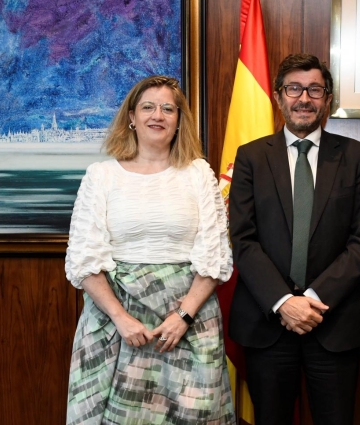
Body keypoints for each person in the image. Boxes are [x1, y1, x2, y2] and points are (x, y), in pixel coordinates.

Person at [64, 75, 235, 425]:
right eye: (148, 107)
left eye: (168, 108)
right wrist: (121, 318)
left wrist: (183, 316)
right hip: (118, 324)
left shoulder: (199, 173)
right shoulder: (101, 176)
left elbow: (214, 254)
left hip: (189, 321)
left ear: (178, 120)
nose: (158, 115)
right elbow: (85, 259)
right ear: (132, 116)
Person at [228, 53, 360, 425]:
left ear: (327, 99)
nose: (304, 98)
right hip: (268, 325)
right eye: (294, 88)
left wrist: (311, 300)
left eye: (315, 89)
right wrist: (284, 302)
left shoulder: (356, 156)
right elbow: (242, 239)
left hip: (333, 323)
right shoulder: (250, 157)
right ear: (279, 97)